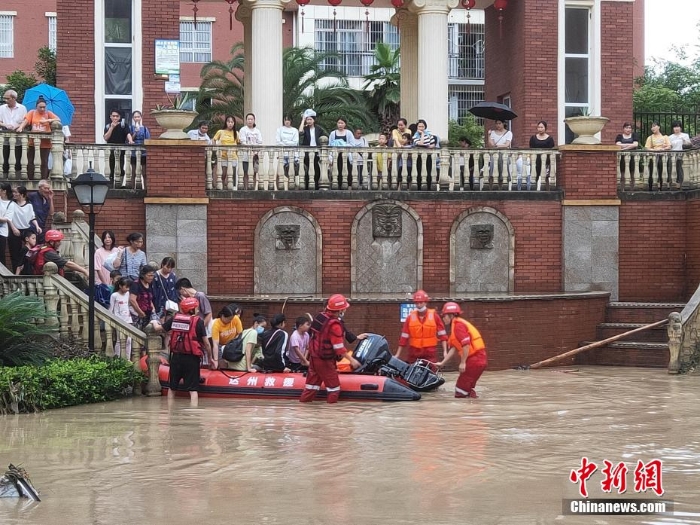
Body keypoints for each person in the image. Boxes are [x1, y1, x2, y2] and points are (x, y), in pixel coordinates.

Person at [300, 294, 361, 404]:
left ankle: (304, 407)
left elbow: (312, 337)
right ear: (340, 309)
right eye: (345, 308)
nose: (346, 310)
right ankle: (332, 416)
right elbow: (339, 348)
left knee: (310, 387)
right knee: (334, 389)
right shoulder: (335, 325)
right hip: (325, 361)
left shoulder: (320, 317)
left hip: (314, 358)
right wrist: (352, 360)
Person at [164, 297, 211, 404]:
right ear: (191, 310)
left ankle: (170, 411)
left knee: (172, 388)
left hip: (176, 357)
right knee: (193, 390)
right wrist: (210, 358)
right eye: (196, 308)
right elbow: (207, 344)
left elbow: (160, 329)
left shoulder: (175, 318)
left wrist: (154, 323)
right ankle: (193, 413)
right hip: (192, 359)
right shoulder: (198, 322)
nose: (198, 310)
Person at [436, 302, 487, 398]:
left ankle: (468, 411)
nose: (443, 318)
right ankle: (474, 407)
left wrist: (463, 362)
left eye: (444, 316)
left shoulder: (458, 326)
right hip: (477, 360)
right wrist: (443, 363)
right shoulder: (456, 325)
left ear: (451, 315)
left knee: (460, 390)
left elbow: (466, 345)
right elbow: (454, 348)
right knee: (465, 390)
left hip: (474, 360)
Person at [395, 289, 448, 364]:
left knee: (430, 373)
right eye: (417, 303)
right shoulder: (410, 318)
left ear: (426, 302)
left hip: (429, 353)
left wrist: (445, 352)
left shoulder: (434, 316)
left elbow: (443, 335)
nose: (419, 305)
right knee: (411, 373)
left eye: (421, 302)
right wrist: (398, 354)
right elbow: (403, 338)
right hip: (414, 353)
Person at [16, 96, 60, 180]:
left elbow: (58, 119)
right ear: (36, 106)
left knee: (44, 161)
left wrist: (47, 121)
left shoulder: (48, 113)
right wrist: (21, 127)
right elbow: (26, 121)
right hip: (33, 141)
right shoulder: (32, 112)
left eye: (44, 107)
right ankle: (30, 177)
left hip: (45, 142)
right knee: (30, 161)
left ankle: (44, 178)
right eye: (40, 107)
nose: (42, 109)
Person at [175, 277, 212, 363]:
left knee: (204, 348)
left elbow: (209, 313)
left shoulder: (200, 296)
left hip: (201, 328)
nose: (181, 294)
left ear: (183, 289)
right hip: (194, 328)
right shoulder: (188, 299)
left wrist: (201, 327)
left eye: (180, 292)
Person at [8, 186, 39, 273]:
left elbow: (32, 217)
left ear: (22, 194)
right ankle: (16, 273)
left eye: (16, 192)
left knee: (29, 250)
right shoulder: (12, 204)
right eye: (13, 192)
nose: (14, 194)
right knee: (14, 253)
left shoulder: (29, 205)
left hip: (25, 230)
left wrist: (37, 226)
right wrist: (13, 229)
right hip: (14, 229)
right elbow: (8, 218)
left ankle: (27, 271)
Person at [0, 89, 27, 175]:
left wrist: (18, 126)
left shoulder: (22, 108)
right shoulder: (1, 108)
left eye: (8, 98)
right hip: (4, 136)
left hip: (17, 136)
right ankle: (4, 175)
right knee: (4, 156)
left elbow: (25, 121)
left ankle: (16, 175)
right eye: (5, 98)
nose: (6, 100)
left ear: (14, 98)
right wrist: (5, 125)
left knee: (18, 157)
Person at [523, 120, 556, 190]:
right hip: (536, 161)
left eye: (542, 127)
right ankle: (533, 190)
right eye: (538, 127)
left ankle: (546, 190)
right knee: (535, 176)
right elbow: (531, 150)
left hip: (546, 161)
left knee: (546, 176)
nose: (540, 129)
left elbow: (551, 150)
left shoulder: (550, 139)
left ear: (545, 128)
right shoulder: (533, 138)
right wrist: (531, 160)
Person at [129, 264, 161, 332]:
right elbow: (132, 300)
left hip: (148, 314)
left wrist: (153, 310)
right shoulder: (136, 284)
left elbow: (149, 298)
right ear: (143, 275)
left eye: (152, 275)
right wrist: (140, 313)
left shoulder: (149, 284)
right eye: (149, 275)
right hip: (137, 315)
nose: (151, 277)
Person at [211, 304, 243, 369]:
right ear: (222, 316)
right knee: (223, 365)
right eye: (229, 319)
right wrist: (216, 360)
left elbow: (240, 334)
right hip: (221, 345)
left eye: (232, 318)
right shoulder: (216, 324)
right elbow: (215, 345)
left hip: (233, 344)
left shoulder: (235, 318)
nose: (230, 321)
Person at [109, 277, 134, 360]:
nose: (128, 289)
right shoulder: (114, 295)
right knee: (120, 340)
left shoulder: (127, 294)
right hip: (119, 319)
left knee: (129, 340)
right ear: (120, 286)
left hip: (128, 319)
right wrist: (111, 319)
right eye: (126, 287)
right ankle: (118, 357)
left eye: (128, 287)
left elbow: (128, 305)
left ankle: (127, 358)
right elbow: (111, 308)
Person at [299, 114, 326, 190]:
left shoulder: (319, 129)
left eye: (310, 119)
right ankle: (307, 186)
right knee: (307, 170)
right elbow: (300, 132)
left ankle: (317, 186)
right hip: (307, 152)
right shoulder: (305, 129)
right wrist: (303, 120)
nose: (309, 121)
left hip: (316, 152)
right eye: (308, 119)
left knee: (316, 169)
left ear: (314, 120)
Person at [238, 112, 263, 190]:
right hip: (246, 155)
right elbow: (243, 142)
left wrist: (255, 152)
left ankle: (253, 188)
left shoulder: (257, 131)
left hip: (255, 155)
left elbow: (260, 142)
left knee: (254, 173)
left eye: (251, 119)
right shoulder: (243, 130)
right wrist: (250, 151)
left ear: (254, 120)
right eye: (248, 119)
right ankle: (246, 188)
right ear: (246, 120)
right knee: (246, 173)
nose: (250, 121)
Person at [212, 115, 239, 188]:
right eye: (229, 122)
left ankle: (228, 187)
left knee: (230, 174)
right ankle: (222, 186)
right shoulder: (221, 132)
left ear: (234, 123)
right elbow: (214, 139)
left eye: (232, 122)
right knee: (223, 173)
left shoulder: (236, 133)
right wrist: (215, 148)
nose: (230, 123)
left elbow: (239, 143)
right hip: (223, 156)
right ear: (226, 123)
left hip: (233, 156)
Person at [644, 121, 671, 191]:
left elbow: (669, 146)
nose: (652, 128)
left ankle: (662, 187)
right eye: (652, 126)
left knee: (662, 172)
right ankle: (651, 187)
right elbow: (647, 148)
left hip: (663, 157)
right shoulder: (650, 138)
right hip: (653, 157)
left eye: (654, 126)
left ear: (659, 127)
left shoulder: (665, 137)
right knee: (652, 172)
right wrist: (655, 150)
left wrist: (663, 148)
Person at [103, 108, 128, 181]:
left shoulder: (123, 125)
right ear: (110, 116)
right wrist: (112, 128)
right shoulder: (107, 126)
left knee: (120, 167)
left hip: (121, 151)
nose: (115, 118)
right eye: (113, 116)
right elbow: (106, 138)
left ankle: (119, 184)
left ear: (119, 117)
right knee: (111, 168)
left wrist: (130, 140)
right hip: (111, 151)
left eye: (117, 116)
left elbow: (127, 134)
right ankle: (111, 183)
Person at [412, 119, 437, 190]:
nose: (421, 128)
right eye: (419, 126)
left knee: (429, 171)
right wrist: (422, 134)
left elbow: (433, 144)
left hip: (428, 155)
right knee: (419, 171)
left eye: (422, 126)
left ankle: (429, 187)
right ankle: (419, 187)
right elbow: (420, 143)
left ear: (425, 127)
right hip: (419, 156)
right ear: (417, 127)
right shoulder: (415, 136)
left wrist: (429, 146)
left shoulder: (429, 135)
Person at [328, 117, 353, 188]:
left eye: (342, 123)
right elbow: (330, 145)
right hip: (336, 156)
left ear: (345, 124)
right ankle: (337, 185)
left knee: (347, 170)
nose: (340, 125)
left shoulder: (349, 133)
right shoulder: (333, 133)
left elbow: (352, 144)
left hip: (345, 155)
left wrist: (343, 145)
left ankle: (348, 185)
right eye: (339, 123)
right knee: (336, 170)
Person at [275, 115, 300, 186]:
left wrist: (284, 141)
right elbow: (278, 142)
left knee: (291, 173)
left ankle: (291, 188)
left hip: (292, 154)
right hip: (282, 154)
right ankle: (277, 188)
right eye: (285, 120)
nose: (287, 121)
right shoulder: (279, 129)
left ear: (291, 121)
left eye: (288, 120)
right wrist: (288, 142)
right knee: (279, 172)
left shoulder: (294, 130)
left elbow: (295, 142)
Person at [27, 179, 54, 244]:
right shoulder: (32, 196)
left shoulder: (46, 200)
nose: (47, 190)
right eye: (45, 188)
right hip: (31, 227)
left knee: (41, 247)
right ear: (39, 188)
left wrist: (50, 199)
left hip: (42, 228)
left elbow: (51, 212)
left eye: (48, 188)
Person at [487, 119, 512, 185]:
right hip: (495, 154)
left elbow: (507, 144)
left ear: (503, 123)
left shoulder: (508, 133)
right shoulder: (492, 132)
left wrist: (497, 146)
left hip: (504, 154)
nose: (498, 125)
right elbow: (491, 145)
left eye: (499, 123)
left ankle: (504, 182)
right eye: (497, 123)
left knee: (503, 171)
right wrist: (489, 135)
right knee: (493, 169)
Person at [126, 110, 151, 178]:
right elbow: (129, 140)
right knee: (133, 173)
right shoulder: (131, 128)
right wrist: (135, 132)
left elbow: (148, 140)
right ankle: (133, 188)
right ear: (133, 118)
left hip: (143, 153)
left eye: (138, 117)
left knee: (144, 173)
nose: (136, 118)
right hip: (133, 153)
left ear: (141, 117)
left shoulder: (145, 129)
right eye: (135, 117)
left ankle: (145, 188)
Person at [668, 121, 691, 186]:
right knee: (671, 168)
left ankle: (681, 183)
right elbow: (669, 146)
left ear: (680, 128)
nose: (676, 128)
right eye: (675, 127)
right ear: (673, 128)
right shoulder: (670, 137)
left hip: (682, 154)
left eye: (678, 126)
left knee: (680, 168)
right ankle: (671, 183)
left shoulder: (685, 135)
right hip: (672, 155)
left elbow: (689, 145)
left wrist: (684, 141)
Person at [0, 182, 17, 268]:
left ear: (4, 191)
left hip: (2, 232)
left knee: (1, 254)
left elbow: (7, 219)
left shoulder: (11, 204)